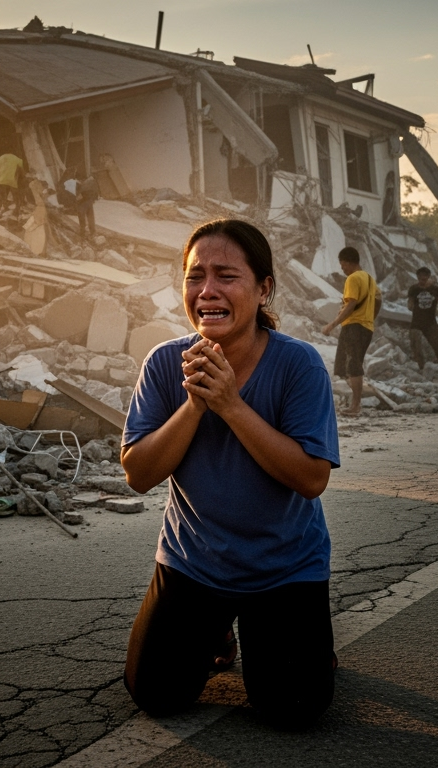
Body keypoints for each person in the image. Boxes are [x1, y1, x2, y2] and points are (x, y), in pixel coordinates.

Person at [121, 219, 340, 730]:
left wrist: (231, 405)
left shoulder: (299, 366)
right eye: (195, 277)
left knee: (294, 710)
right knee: (155, 694)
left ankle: (309, 643)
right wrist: (195, 407)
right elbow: (138, 474)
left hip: (285, 567)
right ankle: (216, 630)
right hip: (194, 562)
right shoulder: (163, 364)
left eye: (226, 276)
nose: (208, 292)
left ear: (263, 288)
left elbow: (311, 479)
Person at [322, 246, 380, 416]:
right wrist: (370, 317)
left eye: (342, 265)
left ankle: (356, 405)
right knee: (341, 367)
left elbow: (351, 303)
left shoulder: (353, 279)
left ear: (347, 262)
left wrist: (332, 324)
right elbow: (378, 300)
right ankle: (357, 397)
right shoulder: (370, 279)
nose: (342, 269)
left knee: (353, 365)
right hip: (364, 327)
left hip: (354, 326)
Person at [406, 267, 438, 368]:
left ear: (428, 277)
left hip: (430, 323)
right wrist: (412, 303)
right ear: (417, 277)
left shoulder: (435, 289)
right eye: (421, 277)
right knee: (416, 346)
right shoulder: (414, 289)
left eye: (425, 276)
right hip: (416, 323)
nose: (423, 278)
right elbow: (409, 306)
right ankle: (421, 368)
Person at [75, 171, 100, 239]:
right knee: (90, 217)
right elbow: (95, 191)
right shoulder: (90, 182)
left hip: (82, 203)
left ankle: (83, 233)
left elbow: (77, 196)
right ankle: (92, 232)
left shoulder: (77, 184)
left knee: (82, 219)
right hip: (89, 202)